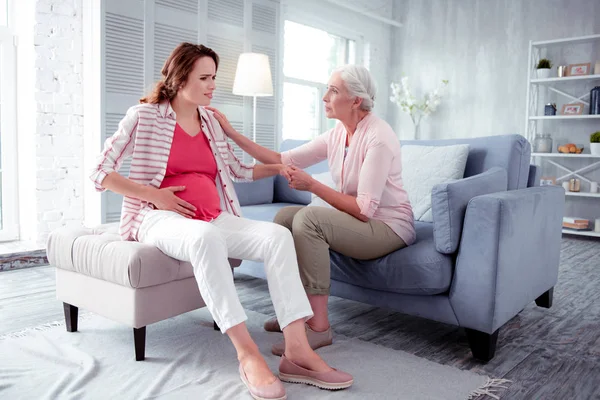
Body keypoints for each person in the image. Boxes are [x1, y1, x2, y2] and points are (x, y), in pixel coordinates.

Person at [89, 42, 353, 400]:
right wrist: (155, 196)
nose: (213, 85)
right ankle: (247, 354)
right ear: (180, 78)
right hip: (157, 218)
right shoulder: (145, 116)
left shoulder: (211, 120)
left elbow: (238, 169)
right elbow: (99, 172)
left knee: (277, 236)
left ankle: (297, 351)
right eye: (205, 77)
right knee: (204, 239)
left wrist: (278, 167)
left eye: (214, 77)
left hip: (214, 216)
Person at [207, 64, 416, 356]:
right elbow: (281, 158)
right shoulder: (337, 134)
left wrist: (313, 186)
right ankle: (295, 315)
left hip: (388, 227)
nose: (324, 97)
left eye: (333, 90)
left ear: (356, 100)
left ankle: (319, 328)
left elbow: (365, 209)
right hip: (359, 219)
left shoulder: (378, 137)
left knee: (308, 218)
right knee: (284, 219)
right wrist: (230, 133)